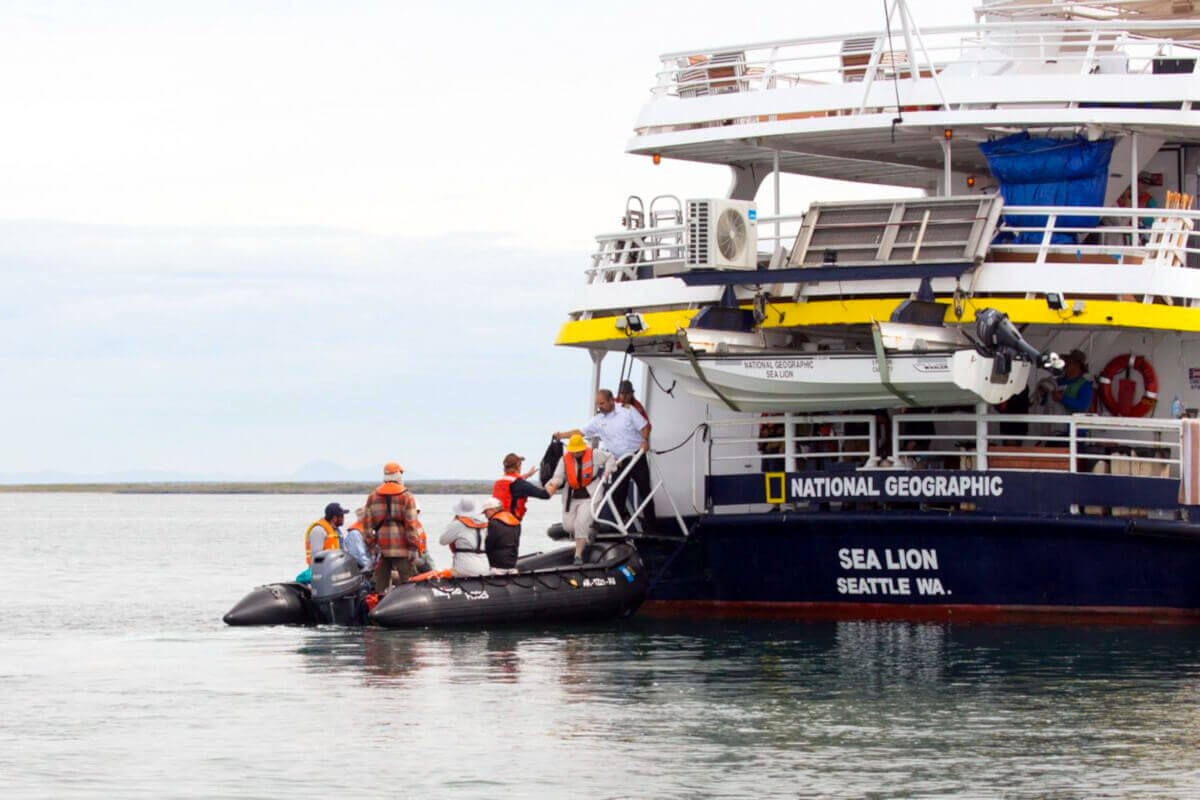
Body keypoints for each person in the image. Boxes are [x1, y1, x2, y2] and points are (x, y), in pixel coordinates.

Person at [553, 388, 656, 534]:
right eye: (597, 404)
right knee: (617, 495)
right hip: (619, 461)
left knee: (645, 491)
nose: (599, 407)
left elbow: (645, 426)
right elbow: (580, 432)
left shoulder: (628, 411)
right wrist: (561, 435)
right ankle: (620, 527)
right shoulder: (598, 420)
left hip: (636, 457)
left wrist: (645, 441)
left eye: (602, 403)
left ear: (611, 400)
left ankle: (652, 528)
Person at [545, 433, 614, 565]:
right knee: (569, 526)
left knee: (580, 523)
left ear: (583, 448)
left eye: (578, 451)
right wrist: (553, 485)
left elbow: (610, 458)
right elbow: (558, 476)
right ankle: (591, 530)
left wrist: (607, 471)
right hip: (572, 495)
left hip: (590, 494)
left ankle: (578, 556)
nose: (576, 453)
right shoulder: (564, 459)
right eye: (573, 451)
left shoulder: (594, 454)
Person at [364, 461, 421, 594]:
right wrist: (413, 547)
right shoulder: (407, 497)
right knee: (410, 585)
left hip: (381, 551)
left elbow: (367, 527)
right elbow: (411, 526)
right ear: (398, 476)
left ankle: (378, 609)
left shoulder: (372, 497)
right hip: (402, 550)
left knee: (380, 589)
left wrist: (372, 546)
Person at [439, 497, 490, 577]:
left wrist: (452, 522)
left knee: (444, 574)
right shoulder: (485, 525)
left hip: (464, 569)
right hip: (485, 567)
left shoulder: (457, 524)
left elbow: (442, 541)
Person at [492, 452, 551, 521]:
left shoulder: (498, 483)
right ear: (518, 466)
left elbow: (514, 483)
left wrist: (528, 475)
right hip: (509, 525)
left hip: (495, 522)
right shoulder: (520, 485)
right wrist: (557, 479)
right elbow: (545, 494)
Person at [481, 497, 522, 574]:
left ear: (492, 510)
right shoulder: (516, 522)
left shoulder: (493, 523)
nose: (485, 515)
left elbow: (489, 545)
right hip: (512, 563)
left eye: (485, 512)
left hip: (497, 565)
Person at [1054, 349, 1093, 414]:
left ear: (1077, 365)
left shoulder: (1085, 385)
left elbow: (1083, 406)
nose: (1065, 364)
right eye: (1066, 361)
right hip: (1052, 421)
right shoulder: (1057, 381)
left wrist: (1062, 398)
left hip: (1071, 422)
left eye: (1069, 362)